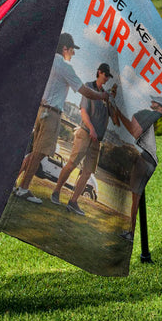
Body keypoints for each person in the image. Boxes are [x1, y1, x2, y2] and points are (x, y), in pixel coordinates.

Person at [14, 32, 111, 204]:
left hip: (41, 110)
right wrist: (101, 97)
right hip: (51, 114)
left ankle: (17, 185)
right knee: (39, 153)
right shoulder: (64, 66)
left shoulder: (49, 61)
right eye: (72, 50)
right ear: (65, 48)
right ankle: (23, 188)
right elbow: (84, 91)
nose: (73, 53)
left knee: (34, 151)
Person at [51, 62, 116, 215]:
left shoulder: (106, 96)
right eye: (105, 75)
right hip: (85, 133)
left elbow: (113, 118)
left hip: (97, 140)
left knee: (87, 173)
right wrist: (92, 129)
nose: (107, 79)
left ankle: (73, 202)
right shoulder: (88, 87)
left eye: (109, 77)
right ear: (99, 72)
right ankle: (56, 191)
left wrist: (111, 100)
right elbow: (83, 112)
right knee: (72, 163)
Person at [113, 95, 162, 240]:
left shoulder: (149, 115)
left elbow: (134, 131)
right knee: (136, 198)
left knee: (135, 199)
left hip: (145, 160)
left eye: (155, 102)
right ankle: (131, 232)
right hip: (151, 161)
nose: (152, 102)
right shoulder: (158, 118)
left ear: (161, 107)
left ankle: (131, 233)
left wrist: (118, 112)